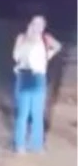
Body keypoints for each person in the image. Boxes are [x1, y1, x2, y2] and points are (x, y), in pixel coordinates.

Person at [12, 14, 61, 154]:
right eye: (35, 23)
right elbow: (15, 56)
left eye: (41, 24)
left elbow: (58, 46)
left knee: (37, 113)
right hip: (25, 75)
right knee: (23, 113)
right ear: (30, 24)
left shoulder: (45, 38)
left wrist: (48, 54)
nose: (38, 26)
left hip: (39, 77)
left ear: (44, 26)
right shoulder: (22, 38)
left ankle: (37, 145)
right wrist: (29, 42)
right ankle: (20, 145)